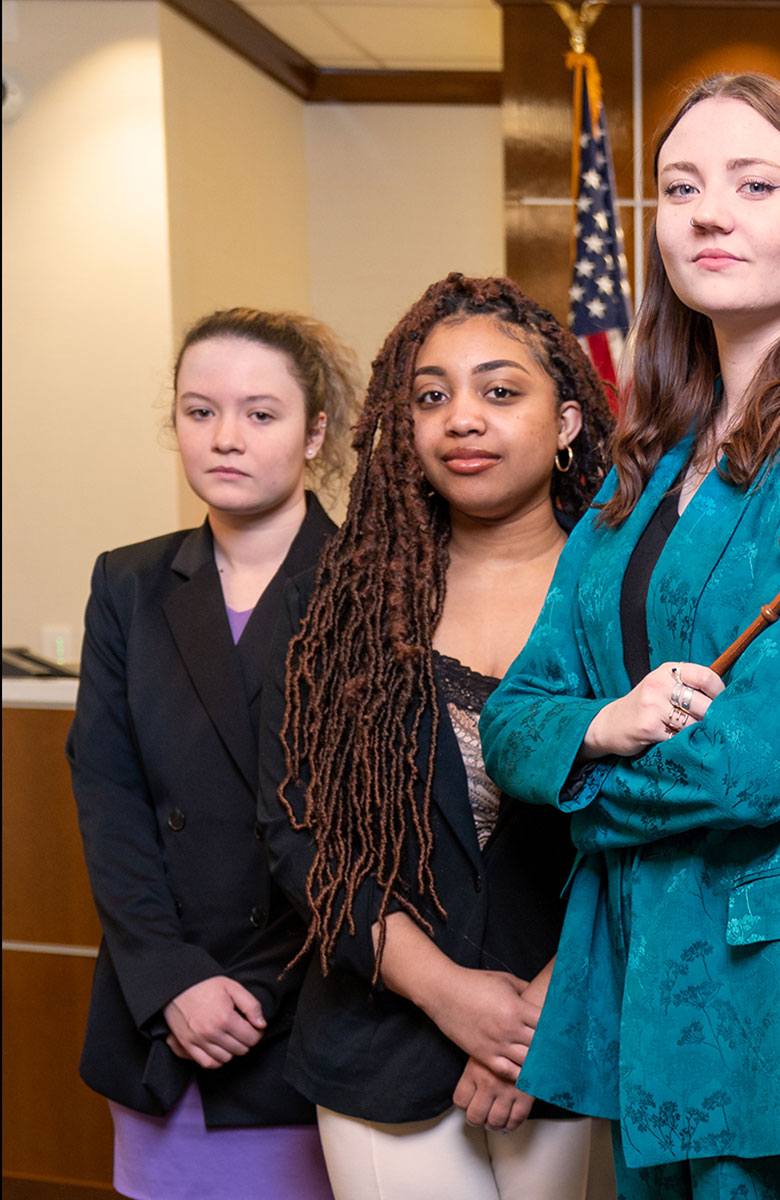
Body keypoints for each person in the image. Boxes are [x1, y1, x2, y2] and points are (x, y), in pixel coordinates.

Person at [478, 73, 780, 1200]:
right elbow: (512, 717)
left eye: (753, 182)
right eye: (681, 187)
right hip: (642, 977)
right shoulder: (644, 468)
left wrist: (580, 784)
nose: (708, 211)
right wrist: (604, 722)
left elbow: (748, 766)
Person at [260, 274, 618, 1200]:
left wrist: (537, 1010)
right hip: (383, 1040)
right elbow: (298, 831)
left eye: (501, 392)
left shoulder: (628, 595)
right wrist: (449, 995)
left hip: (576, 1033)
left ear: (569, 421)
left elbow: (665, 827)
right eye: (432, 396)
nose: (463, 418)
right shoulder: (339, 601)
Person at [69, 307, 357, 1200]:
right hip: (161, 1010)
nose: (225, 438)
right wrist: (171, 978)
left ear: (315, 434)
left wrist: (256, 987)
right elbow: (109, 798)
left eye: (260, 414)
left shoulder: (371, 588)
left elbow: (370, 835)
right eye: (200, 411)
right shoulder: (130, 581)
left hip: (305, 1013)